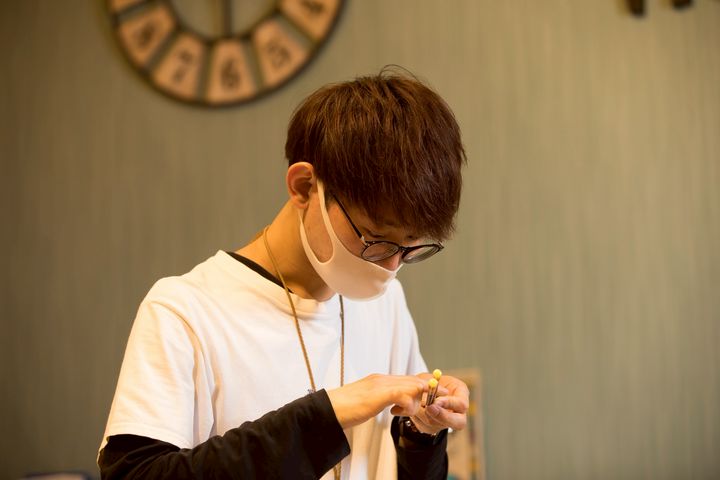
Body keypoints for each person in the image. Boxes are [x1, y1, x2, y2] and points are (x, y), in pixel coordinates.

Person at [98, 67, 469, 479]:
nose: (390, 267)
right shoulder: (184, 312)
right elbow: (135, 474)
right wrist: (328, 414)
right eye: (375, 237)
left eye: (410, 247)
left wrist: (421, 433)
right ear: (305, 186)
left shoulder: (387, 304)